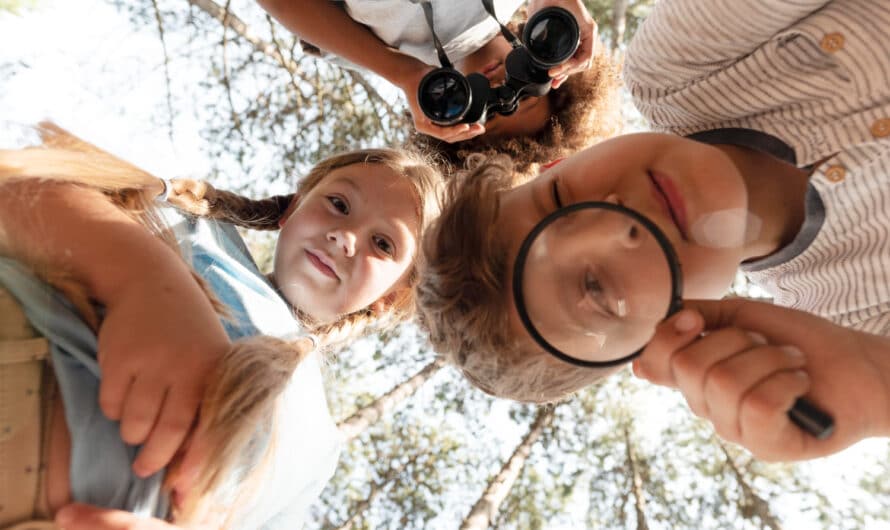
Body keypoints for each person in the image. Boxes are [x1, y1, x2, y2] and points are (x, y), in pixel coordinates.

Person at [416, 0, 890, 462]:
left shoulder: (677, 72)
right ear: (659, 338)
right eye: (596, 288)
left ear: (557, 163)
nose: (617, 225)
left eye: (559, 198)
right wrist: (876, 380)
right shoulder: (858, 325)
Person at [0, 123, 442, 528]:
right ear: (291, 210)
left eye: (382, 244)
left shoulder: (320, 449)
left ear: (391, 298)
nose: (345, 237)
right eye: (338, 204)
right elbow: (17, 184)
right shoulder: (195, 229)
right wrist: (144, 279)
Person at [258, 0, 621, 178]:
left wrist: (402, 73)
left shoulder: (382, 54)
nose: (498, 86)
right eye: (526, 94)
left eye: (489, 109)